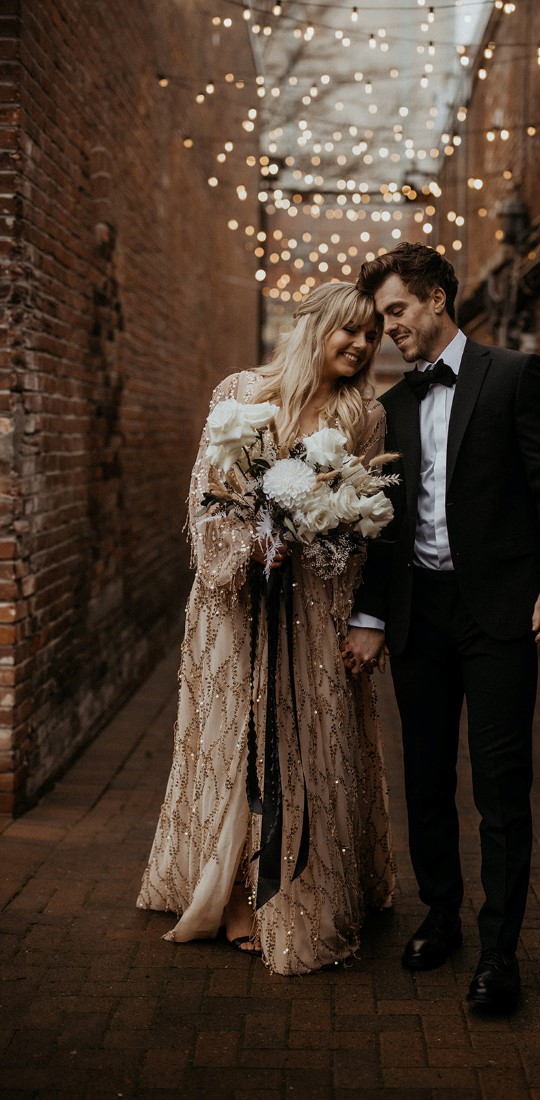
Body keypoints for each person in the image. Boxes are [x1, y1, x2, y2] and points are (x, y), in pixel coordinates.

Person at [343, 242, 540, 1012]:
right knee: (425, 776)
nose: (388, 329)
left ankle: (500, 951)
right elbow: (383, 525)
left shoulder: (513, 375)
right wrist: (372, 614)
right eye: (382, 317)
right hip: (420, 615)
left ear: (437, 298)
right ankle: (440, 914)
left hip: (499, 611)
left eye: (396, 311)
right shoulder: (392, 407)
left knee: (501, 784)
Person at [138, 282, 395, 975]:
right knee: (236, 737)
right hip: (235, 605)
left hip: (313, 607)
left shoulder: (364, 414)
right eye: (349, 330)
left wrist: (316, 533)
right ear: (313, 326)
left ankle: (298, 887)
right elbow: (205, 501)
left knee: (304, 741)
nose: (362, 345)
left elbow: (364, 525)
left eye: (372, 335)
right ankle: (234, 892)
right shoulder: (240, 394)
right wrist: (253, 543)